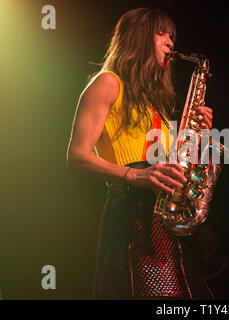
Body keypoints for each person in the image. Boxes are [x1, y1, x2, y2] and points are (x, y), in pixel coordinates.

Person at [66, 8, 214, 299]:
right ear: (137, 37)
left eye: (171, 35)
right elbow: (76, 157)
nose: (170, 42)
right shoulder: (108, 82)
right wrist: (135, 174)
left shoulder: (153, 106)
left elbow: (176, 167)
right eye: (161, 33)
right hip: (130, 212)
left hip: (161, 220)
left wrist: (200, 135)